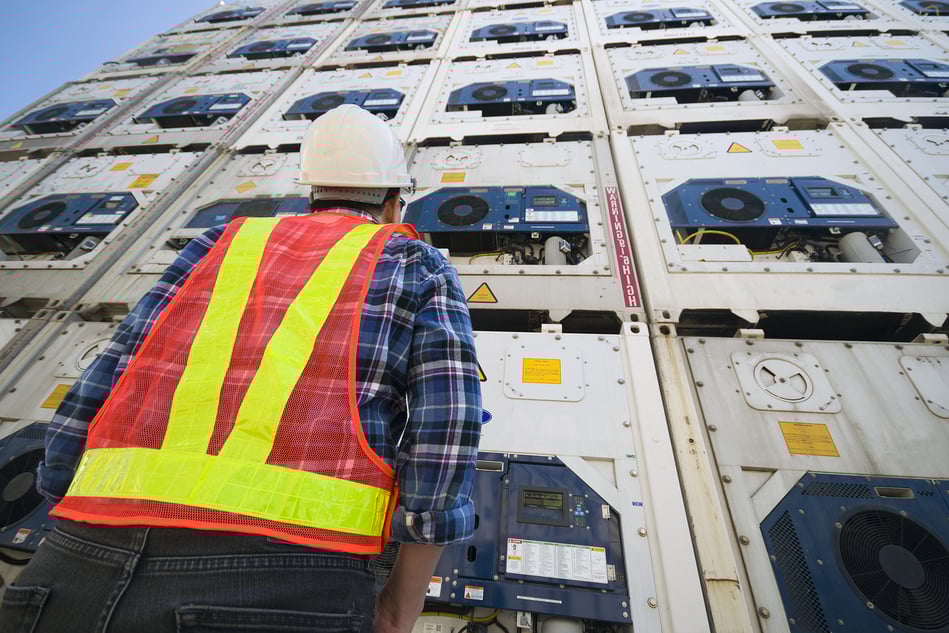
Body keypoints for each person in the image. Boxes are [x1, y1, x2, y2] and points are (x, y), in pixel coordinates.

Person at [0, 105, 482, 633]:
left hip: (77, 557)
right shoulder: (415, 262)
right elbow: (445, 433)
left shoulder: (217, 244)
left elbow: (103, 383)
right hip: (290, 573)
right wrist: (395, 613)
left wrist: (67, 524)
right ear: (394, 202)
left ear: (311, 193)